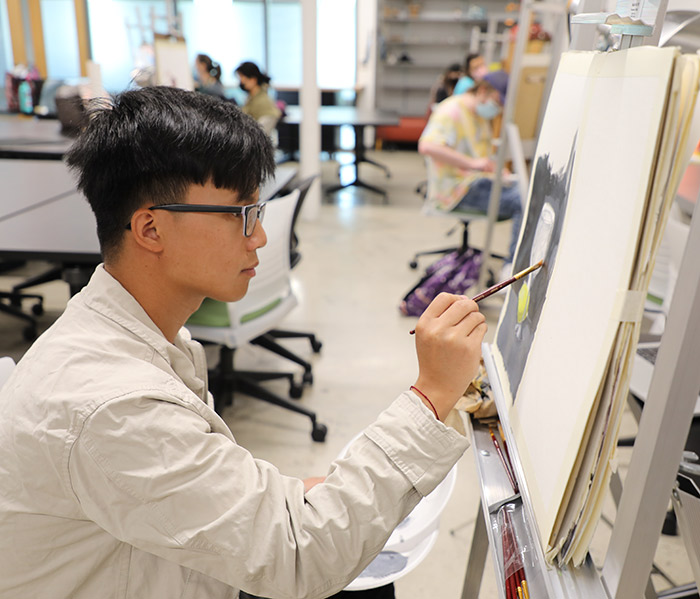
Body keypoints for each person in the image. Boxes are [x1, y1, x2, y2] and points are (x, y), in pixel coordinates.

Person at [0, 86, 487, 598]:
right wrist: (431, 395)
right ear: (150, 228)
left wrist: (294, 496)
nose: (258, 238)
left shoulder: (144, 336)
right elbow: (300, 558)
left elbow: (197, 488)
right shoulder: (115, 405)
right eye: (241, 215)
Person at [418, 79, 523, 271]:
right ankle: (511, 269)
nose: (496, 108)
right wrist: (472, 164)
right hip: (457, 189)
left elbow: (480, 155)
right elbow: (427, 146)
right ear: (483, 90)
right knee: (522, 200)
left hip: (476, 181)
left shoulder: (479, 116)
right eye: (496, 102)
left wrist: (495, 169)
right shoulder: (450, 112)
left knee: (525, 189)